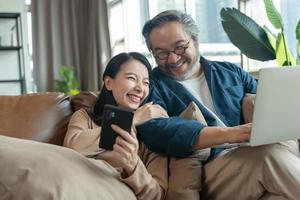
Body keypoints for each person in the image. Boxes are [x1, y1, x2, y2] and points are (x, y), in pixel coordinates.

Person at [136, 10, 300, 199]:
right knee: (268, 156)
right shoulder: (150, 86)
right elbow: (157, 131)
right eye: (161, 53)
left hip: (253, 161)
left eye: (180, 47)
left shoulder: (230, 72)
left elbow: (269, 103)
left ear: (195, 40)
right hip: (208, 170)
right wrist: (232, 134)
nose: (173, 59)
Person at [63, 52, 168, 200]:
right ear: (108, 83)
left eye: (146, 82)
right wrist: (131, 119)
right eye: (132, 78)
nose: (140, 88)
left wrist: (132, 165)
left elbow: (157, 195)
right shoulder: (84, 117)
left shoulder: (153, 131)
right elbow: (71, 148)